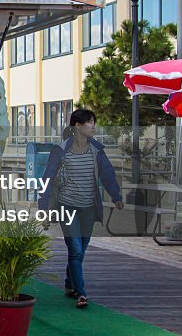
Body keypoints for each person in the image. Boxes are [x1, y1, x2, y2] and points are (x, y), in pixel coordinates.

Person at [39, 109, 123, 309]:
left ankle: (70, 283)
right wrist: (43, 208)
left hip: (88, 208)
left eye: (94, 122)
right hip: (67, 206)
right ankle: (81, 294)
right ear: (77, 125)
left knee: (80, 251)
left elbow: (107, 175)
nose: (93, 126)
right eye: (89, 122)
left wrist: (116, 196)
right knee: (76, 251)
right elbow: (47, 179)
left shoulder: (97, 151)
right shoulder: (60, 151)